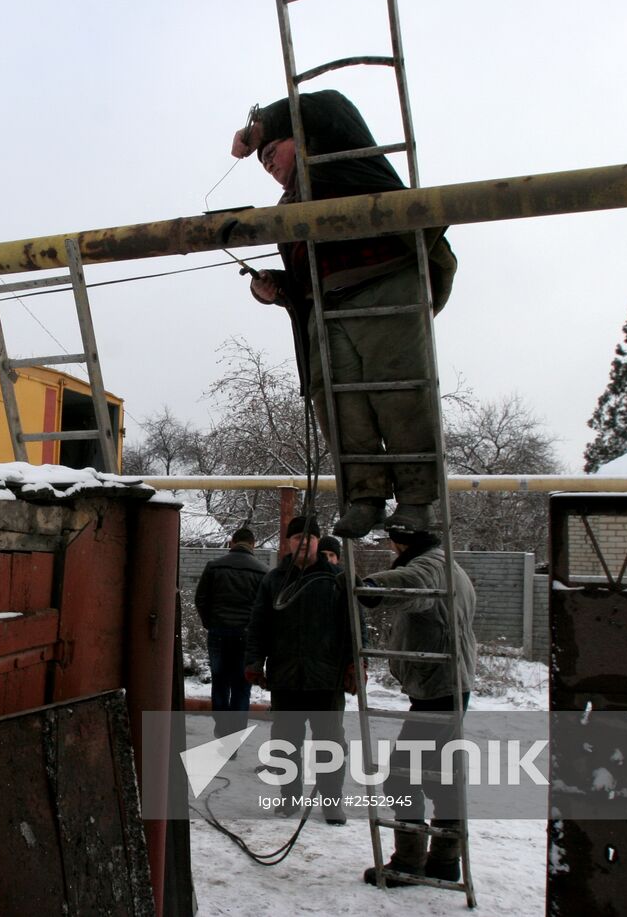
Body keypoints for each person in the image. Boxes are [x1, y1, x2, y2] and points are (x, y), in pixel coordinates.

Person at [230, 91, 458, 539]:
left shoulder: (342, 158)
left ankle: (416, 499)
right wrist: (275, 289)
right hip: (326, 305)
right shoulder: (288, 209)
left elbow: (327, 103)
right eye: (263, 161)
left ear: (302, 137)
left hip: (384, 280)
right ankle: (366, 497)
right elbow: (305, 276)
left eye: (272, 152)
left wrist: (257, 127)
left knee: (397, 391)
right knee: (337, 402)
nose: (269, 165)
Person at [357, 527, 477, 886]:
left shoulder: (432, 565)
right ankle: (444, 860)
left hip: (439, 688)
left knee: (401, 775)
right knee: (442, 777)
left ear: (401, 542)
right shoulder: (448, 562)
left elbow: (415, 581)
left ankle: (408, 862)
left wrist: (371, 587)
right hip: (447, 684)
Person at [244, 517, 352, 822]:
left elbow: (353, 626)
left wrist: (356, 663)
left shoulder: (336, 578)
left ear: (318, 541)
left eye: (310, 537)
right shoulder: (274, 580)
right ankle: (289, 798)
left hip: (326, 680)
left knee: (330, 744)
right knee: (285, 743)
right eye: (296, 537)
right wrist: (254, 661)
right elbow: (258, 625)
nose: (303, 542)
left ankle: (332, 803)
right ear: (288, 542)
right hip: (286, 678)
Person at [194, 526, 268, 737]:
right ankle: (234, 736)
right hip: (246, 637)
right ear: (253, 545)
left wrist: (211, 623)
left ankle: (221, 728)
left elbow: (200, 600)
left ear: (232, 542)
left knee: (220, 682)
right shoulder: (262, 571)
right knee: (242, 686)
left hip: (218, 633)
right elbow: (264, 610)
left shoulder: (214, 567)